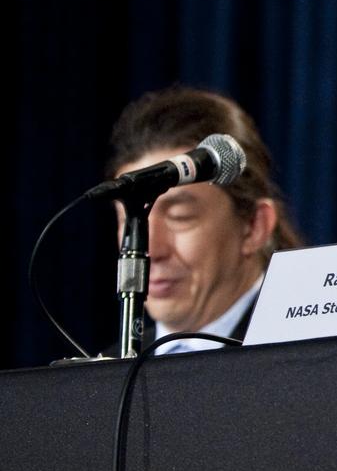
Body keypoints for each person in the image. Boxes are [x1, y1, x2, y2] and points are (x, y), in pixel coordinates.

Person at [105, 86, 302, 353]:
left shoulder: (308, 354)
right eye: (131, 221)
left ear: (255, 226)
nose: (151, 249)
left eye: (179, 216)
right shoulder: (104, 375)